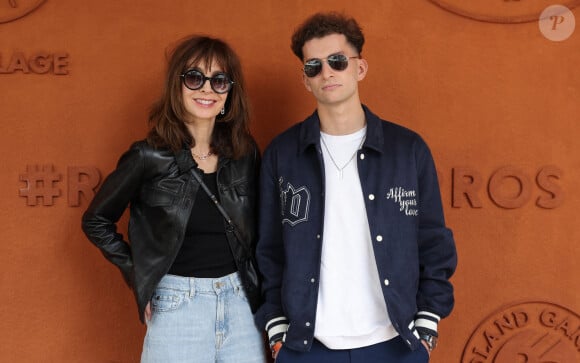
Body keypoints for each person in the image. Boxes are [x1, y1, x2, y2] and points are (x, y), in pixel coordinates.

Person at [255, 12, 457, 363]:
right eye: (313, 66)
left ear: (359, 68)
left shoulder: (407, 149)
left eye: (337, 61)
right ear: (305, 79)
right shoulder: (282, 154)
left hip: (395, 343)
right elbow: (269, 249)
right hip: (306, 346)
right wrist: (276, 330)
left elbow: (433, 240)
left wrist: (426, 327)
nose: (327, 73)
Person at [82, 35, 266, 363]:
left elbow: (262, 227)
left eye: (219, 80)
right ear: (177, 87)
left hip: (240, 302)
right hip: (179, 303)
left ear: (229, 93)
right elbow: (96, 220)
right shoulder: (147, 156)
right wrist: (138, 274)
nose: (207, 89)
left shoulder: (244, 153)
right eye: (195, 78)